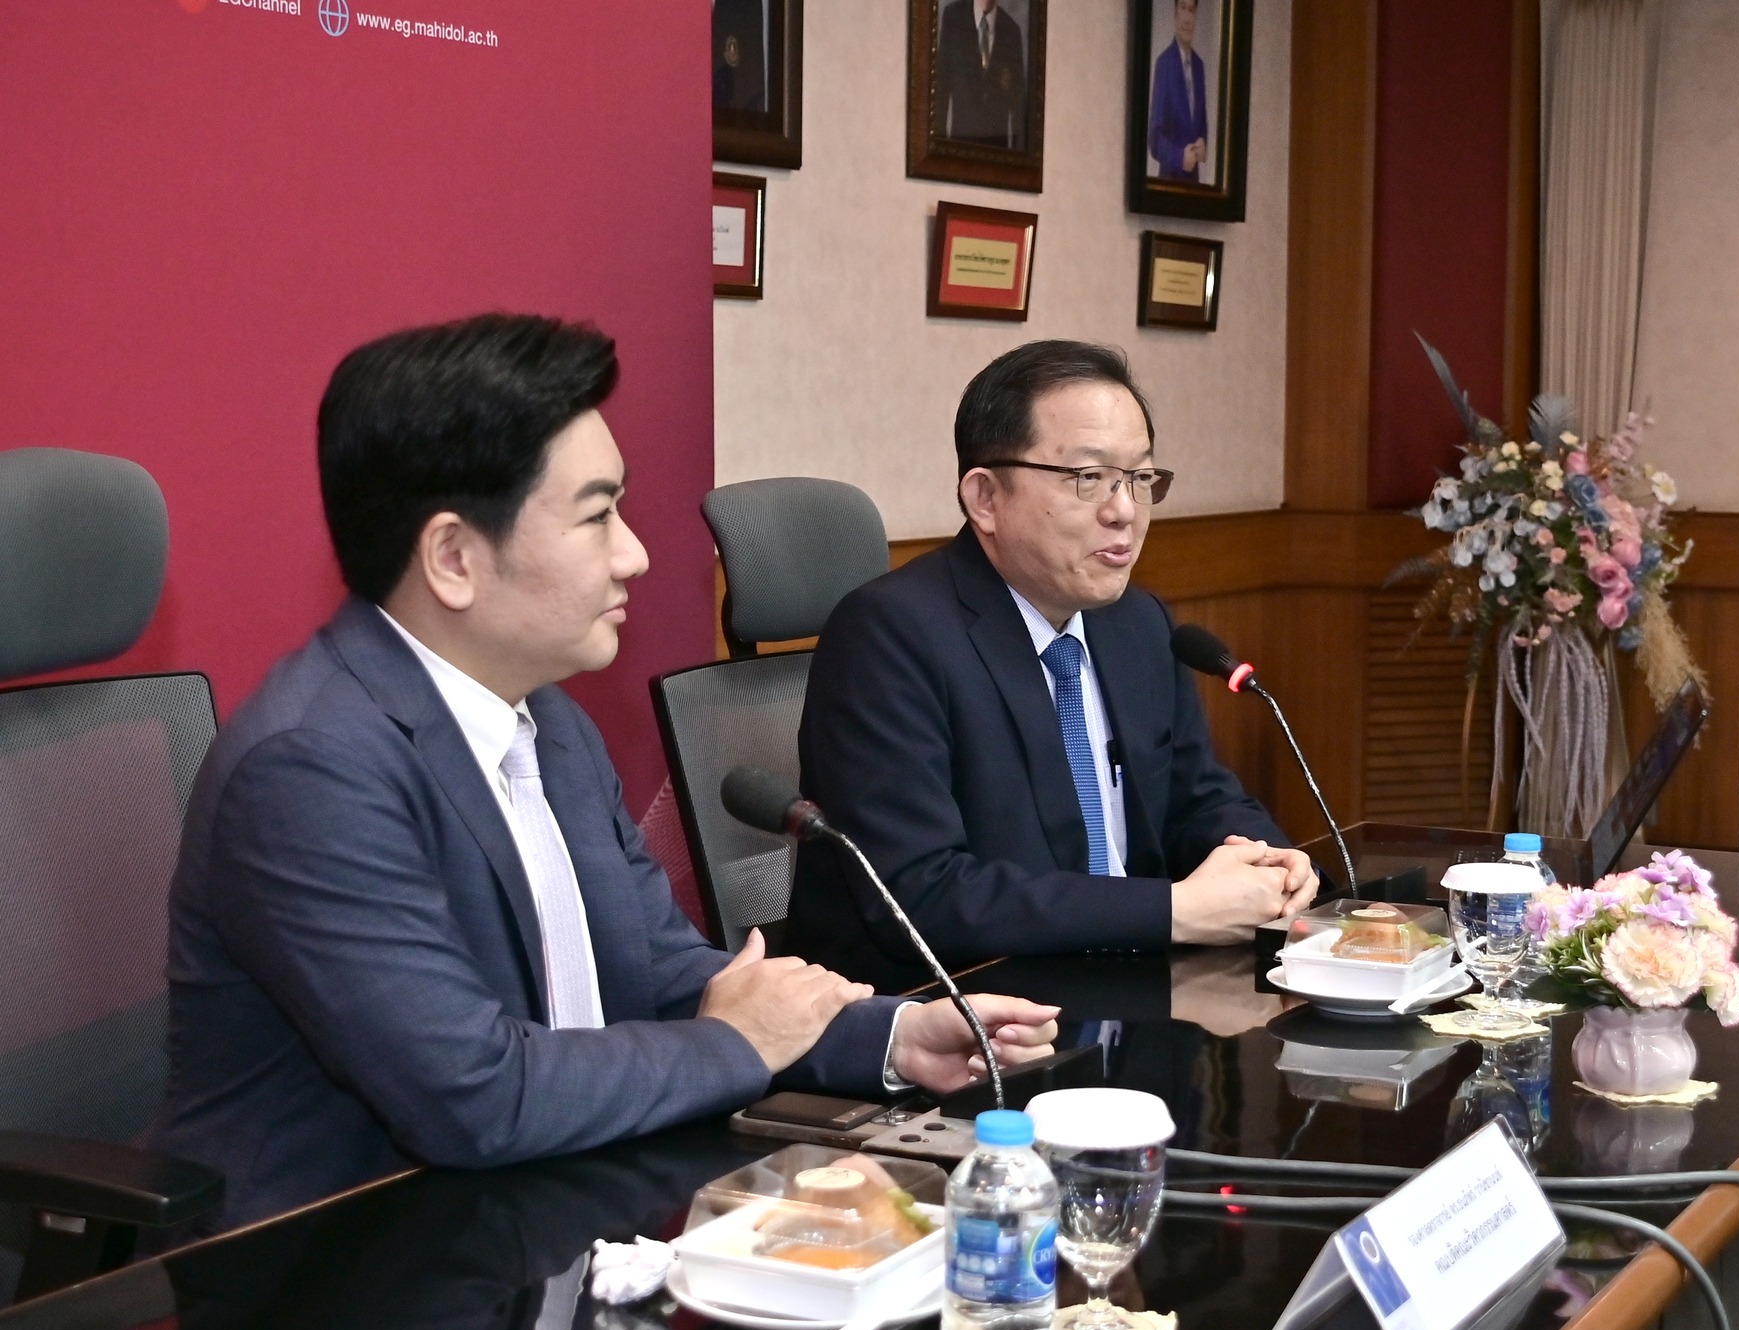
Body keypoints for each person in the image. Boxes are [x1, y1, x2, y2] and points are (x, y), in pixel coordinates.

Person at [150, 315, 1058, 1234]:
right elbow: (473, 1093)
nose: (636, 553)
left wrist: (894, 1038)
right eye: (596, 517)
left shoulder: (550, 722)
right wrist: (734, 1042)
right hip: (345, 1256)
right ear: (454, 558)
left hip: (554, 1200)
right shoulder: (313, 768)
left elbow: (658, 968)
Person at [785, 340, 1318, 987]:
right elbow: (921, 894)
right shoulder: (890, 636)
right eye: (1088, 479)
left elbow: (1196, 799)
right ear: (986, 498)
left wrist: (1270, 861)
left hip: (1132, 993)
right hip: (956, 1009)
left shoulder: (1137, 623)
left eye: (1140, 478)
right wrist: (1173, 910)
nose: (1124, 511)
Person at [934, 0, 1027, 148]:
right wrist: (939, 148)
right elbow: (941, 89)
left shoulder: (1011, 31)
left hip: (996, 153)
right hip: (958, 149)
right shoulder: (954, 18)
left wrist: (1016, 157)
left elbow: (1018, 105)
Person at [1147, 0, 1207, 182]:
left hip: (1194, 186)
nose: (1187, 18)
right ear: (1175, 13)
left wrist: (1203, 143)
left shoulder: (1199, 66)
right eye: (1183, 8)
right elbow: (1154, 139)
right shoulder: (1164, 64)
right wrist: (1179, 157)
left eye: (1192, 10)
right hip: (1169, 182)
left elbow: (1201, 124)